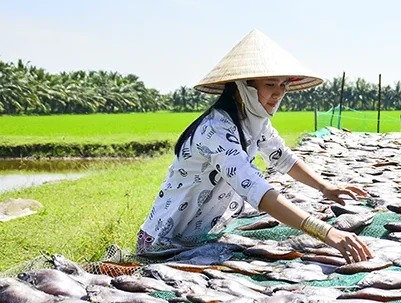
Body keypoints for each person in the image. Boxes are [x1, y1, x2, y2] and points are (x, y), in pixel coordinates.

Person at [136, 29, 373, 264]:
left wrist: (325, 187)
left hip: (199, 236)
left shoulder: (254, 122)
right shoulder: (215, 130)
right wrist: (327, 233)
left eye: (283, 85)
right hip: (163, 242)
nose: (278, 93)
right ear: (242, 87)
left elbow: (283, 158)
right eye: (270, 84)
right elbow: (255, 188)